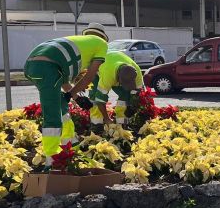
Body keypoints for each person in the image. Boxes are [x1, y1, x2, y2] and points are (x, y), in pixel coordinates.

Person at [23, 23, 108, 166]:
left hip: (34, 65)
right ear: (104, 37)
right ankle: (52, 160)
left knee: (61, 104)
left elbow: (61, 79)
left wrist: (74, 96)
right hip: (47, 68)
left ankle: (69, 146)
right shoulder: (102, 45)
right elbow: (89, 77)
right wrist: (72, 94)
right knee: (52, 116)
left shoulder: (80, 43)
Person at [88, 50, 144, 129]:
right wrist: (107, 119)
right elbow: (100, 100)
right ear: (118, 79)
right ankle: (96, 123)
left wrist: (132, 106)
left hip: (114, 60)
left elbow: (137, 91)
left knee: (126, 94)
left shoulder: (136, 72)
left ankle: (122, 122)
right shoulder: (107, 76)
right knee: (95, 95)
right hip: (96, 66)